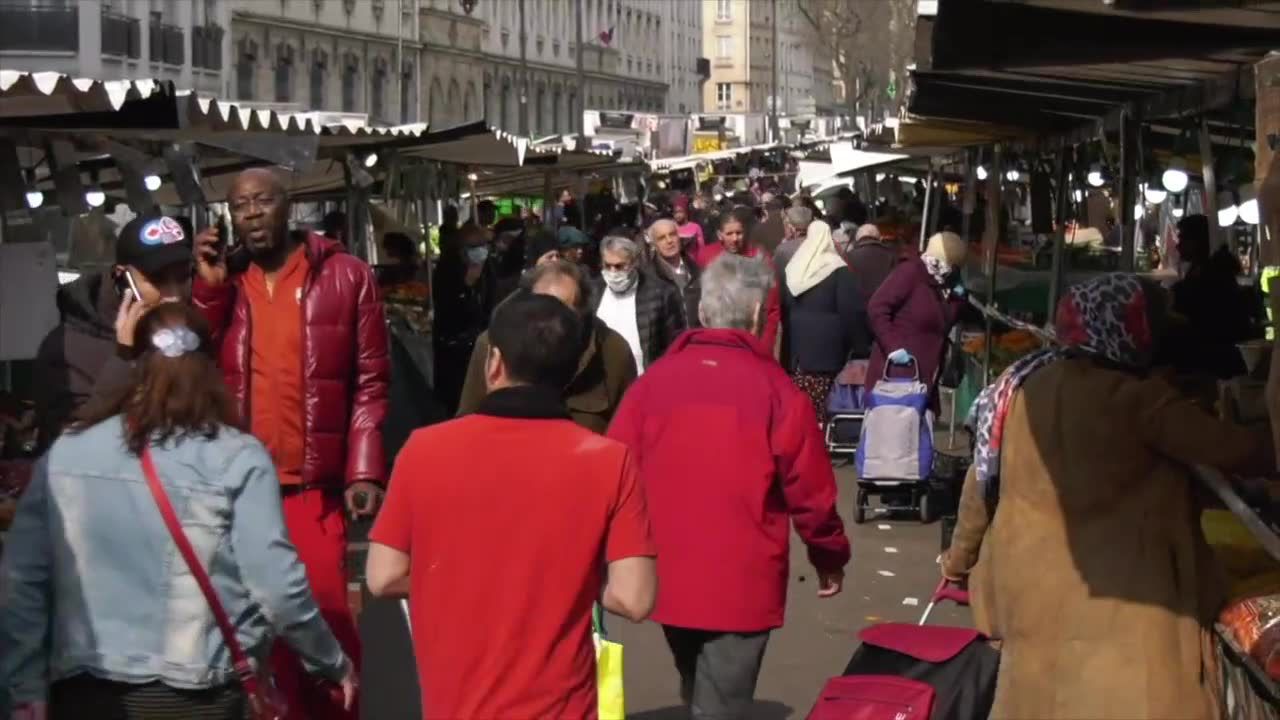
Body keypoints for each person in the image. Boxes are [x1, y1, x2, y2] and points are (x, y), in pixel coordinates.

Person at [1, 303, 357, 720]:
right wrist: (330, 661)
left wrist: (25, 689)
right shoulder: (238, 457)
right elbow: (276, 585)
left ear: (134, 364)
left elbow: (21, 582)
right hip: (203, 691)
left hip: (85, 691)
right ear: (210, 367)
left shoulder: (67, 454)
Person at [943, 274, 1273, 720]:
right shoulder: (1137, 401)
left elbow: (980, 485)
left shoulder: (1023, 391)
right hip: (1123, 608)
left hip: (1030, 598)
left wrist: (958, 563)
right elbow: (1238, 451)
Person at [366, 292, 657, 719]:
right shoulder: (609, 460)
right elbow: (635, 598)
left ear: (494, 362)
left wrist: (462, 577)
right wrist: (570, 581)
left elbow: (382, 575)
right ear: (572, 370)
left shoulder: (424, 451)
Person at [607, 254, 851, 719]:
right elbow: (812, 495)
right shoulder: (778, 391)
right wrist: (829, 556)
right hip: (742, 575)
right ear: (760, 316)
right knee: (720, 697)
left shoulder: (651, 385)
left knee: (699, 682)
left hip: (668, 567)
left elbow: (613, 471)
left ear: (703, 312)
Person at [192, 168, 387, 720]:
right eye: (239, 206)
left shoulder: (347, 277)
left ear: (288, 205)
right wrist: (206, 290)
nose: (251, 213)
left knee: (325, 622)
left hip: (312, 488)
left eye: (262, 201)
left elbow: (371, 381)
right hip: (237, 488)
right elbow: (189, 361)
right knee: (253, 633)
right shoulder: (222, 283)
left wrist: (364, 470)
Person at [33, 215, 194, 454]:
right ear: (123, 278)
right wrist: (123, 358)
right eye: (158, 279)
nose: (174, 295)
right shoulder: (66, 347)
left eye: (183, 277)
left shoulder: (186, 329)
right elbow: (66, 447)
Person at [459, 260, 637, 433]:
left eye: (562, 312)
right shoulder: (495, 343)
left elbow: (629, 431)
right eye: (541, 308)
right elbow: (468, 420)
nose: (550, 319)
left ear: (582, 311)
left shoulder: (613, 351)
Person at [866, 231, 968, 410]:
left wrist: (958, 300)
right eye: (951, 265)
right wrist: (893, 346)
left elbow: (944, 322)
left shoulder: (941, 283)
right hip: (896, 379)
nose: (951, 270)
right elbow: (877, 307)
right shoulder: (910, 272)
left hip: (925, 378)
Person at [781, 220, 868, 422]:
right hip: (828, 352)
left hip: (797, 353)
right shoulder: (838, 269)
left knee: (802, 406)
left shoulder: (795, 268)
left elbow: (785, 306)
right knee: (825, 403)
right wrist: (860, 344)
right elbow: (850, 311)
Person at [1168, 213, 1255, 379]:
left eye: (1183, 239)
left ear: (1198, 241)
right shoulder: (1200, 270)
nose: (1178, 246)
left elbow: (1200, 313)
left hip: (1215, 361)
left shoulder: (1215, 274)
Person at [594, 235, 687, 372]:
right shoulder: (593, 291)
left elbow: (674, 342)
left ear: (633, 263)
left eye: (619, 266)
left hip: (645, 378)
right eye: (607, 265)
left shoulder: (661, 293)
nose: (612, 272)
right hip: (604, 380)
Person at [433, 222, 497, 415]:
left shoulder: (488, 270)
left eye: (482, 246)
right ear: (461, 250)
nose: (480, 251)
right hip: (454, 349)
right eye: (473, 247)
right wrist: (467, 287)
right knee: (456, 400)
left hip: (481, 343)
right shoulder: (447, 270)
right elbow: (447, 309)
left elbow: (491, 303)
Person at [696, 212, 782, 353]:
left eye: (739, 233)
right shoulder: (707, 256)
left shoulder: (760, 258)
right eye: (729, 233)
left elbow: (772, 309)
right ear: (720, 235)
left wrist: (763, 347)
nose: (735, 238)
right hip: (718, 342)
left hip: (753, 340)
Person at [648, 218, 701, 328]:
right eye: (661, 238)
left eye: (672, 234)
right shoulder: (650, 277)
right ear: (654, 245)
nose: (669, 241)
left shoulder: (696, 269)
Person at [846, 223, 899, 307]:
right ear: (879, 238)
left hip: (857, 308)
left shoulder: (848, 257)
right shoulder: (892, 255)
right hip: (885, 307)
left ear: (857, 239)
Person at [772, 205, 814, 276]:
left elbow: (775, 277)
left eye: (784, 225)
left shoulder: (783, 250)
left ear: (791, 228)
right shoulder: (827, 240)